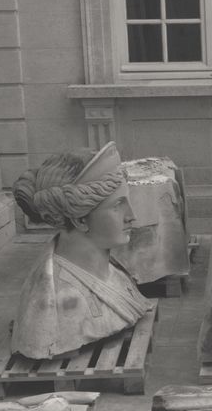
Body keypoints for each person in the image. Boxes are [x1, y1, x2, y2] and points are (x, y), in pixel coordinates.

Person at [10, 142, 152, 359]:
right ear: (80, 220)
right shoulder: (56, 301)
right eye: (117, 206)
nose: (131, 215)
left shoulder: (114, 272)